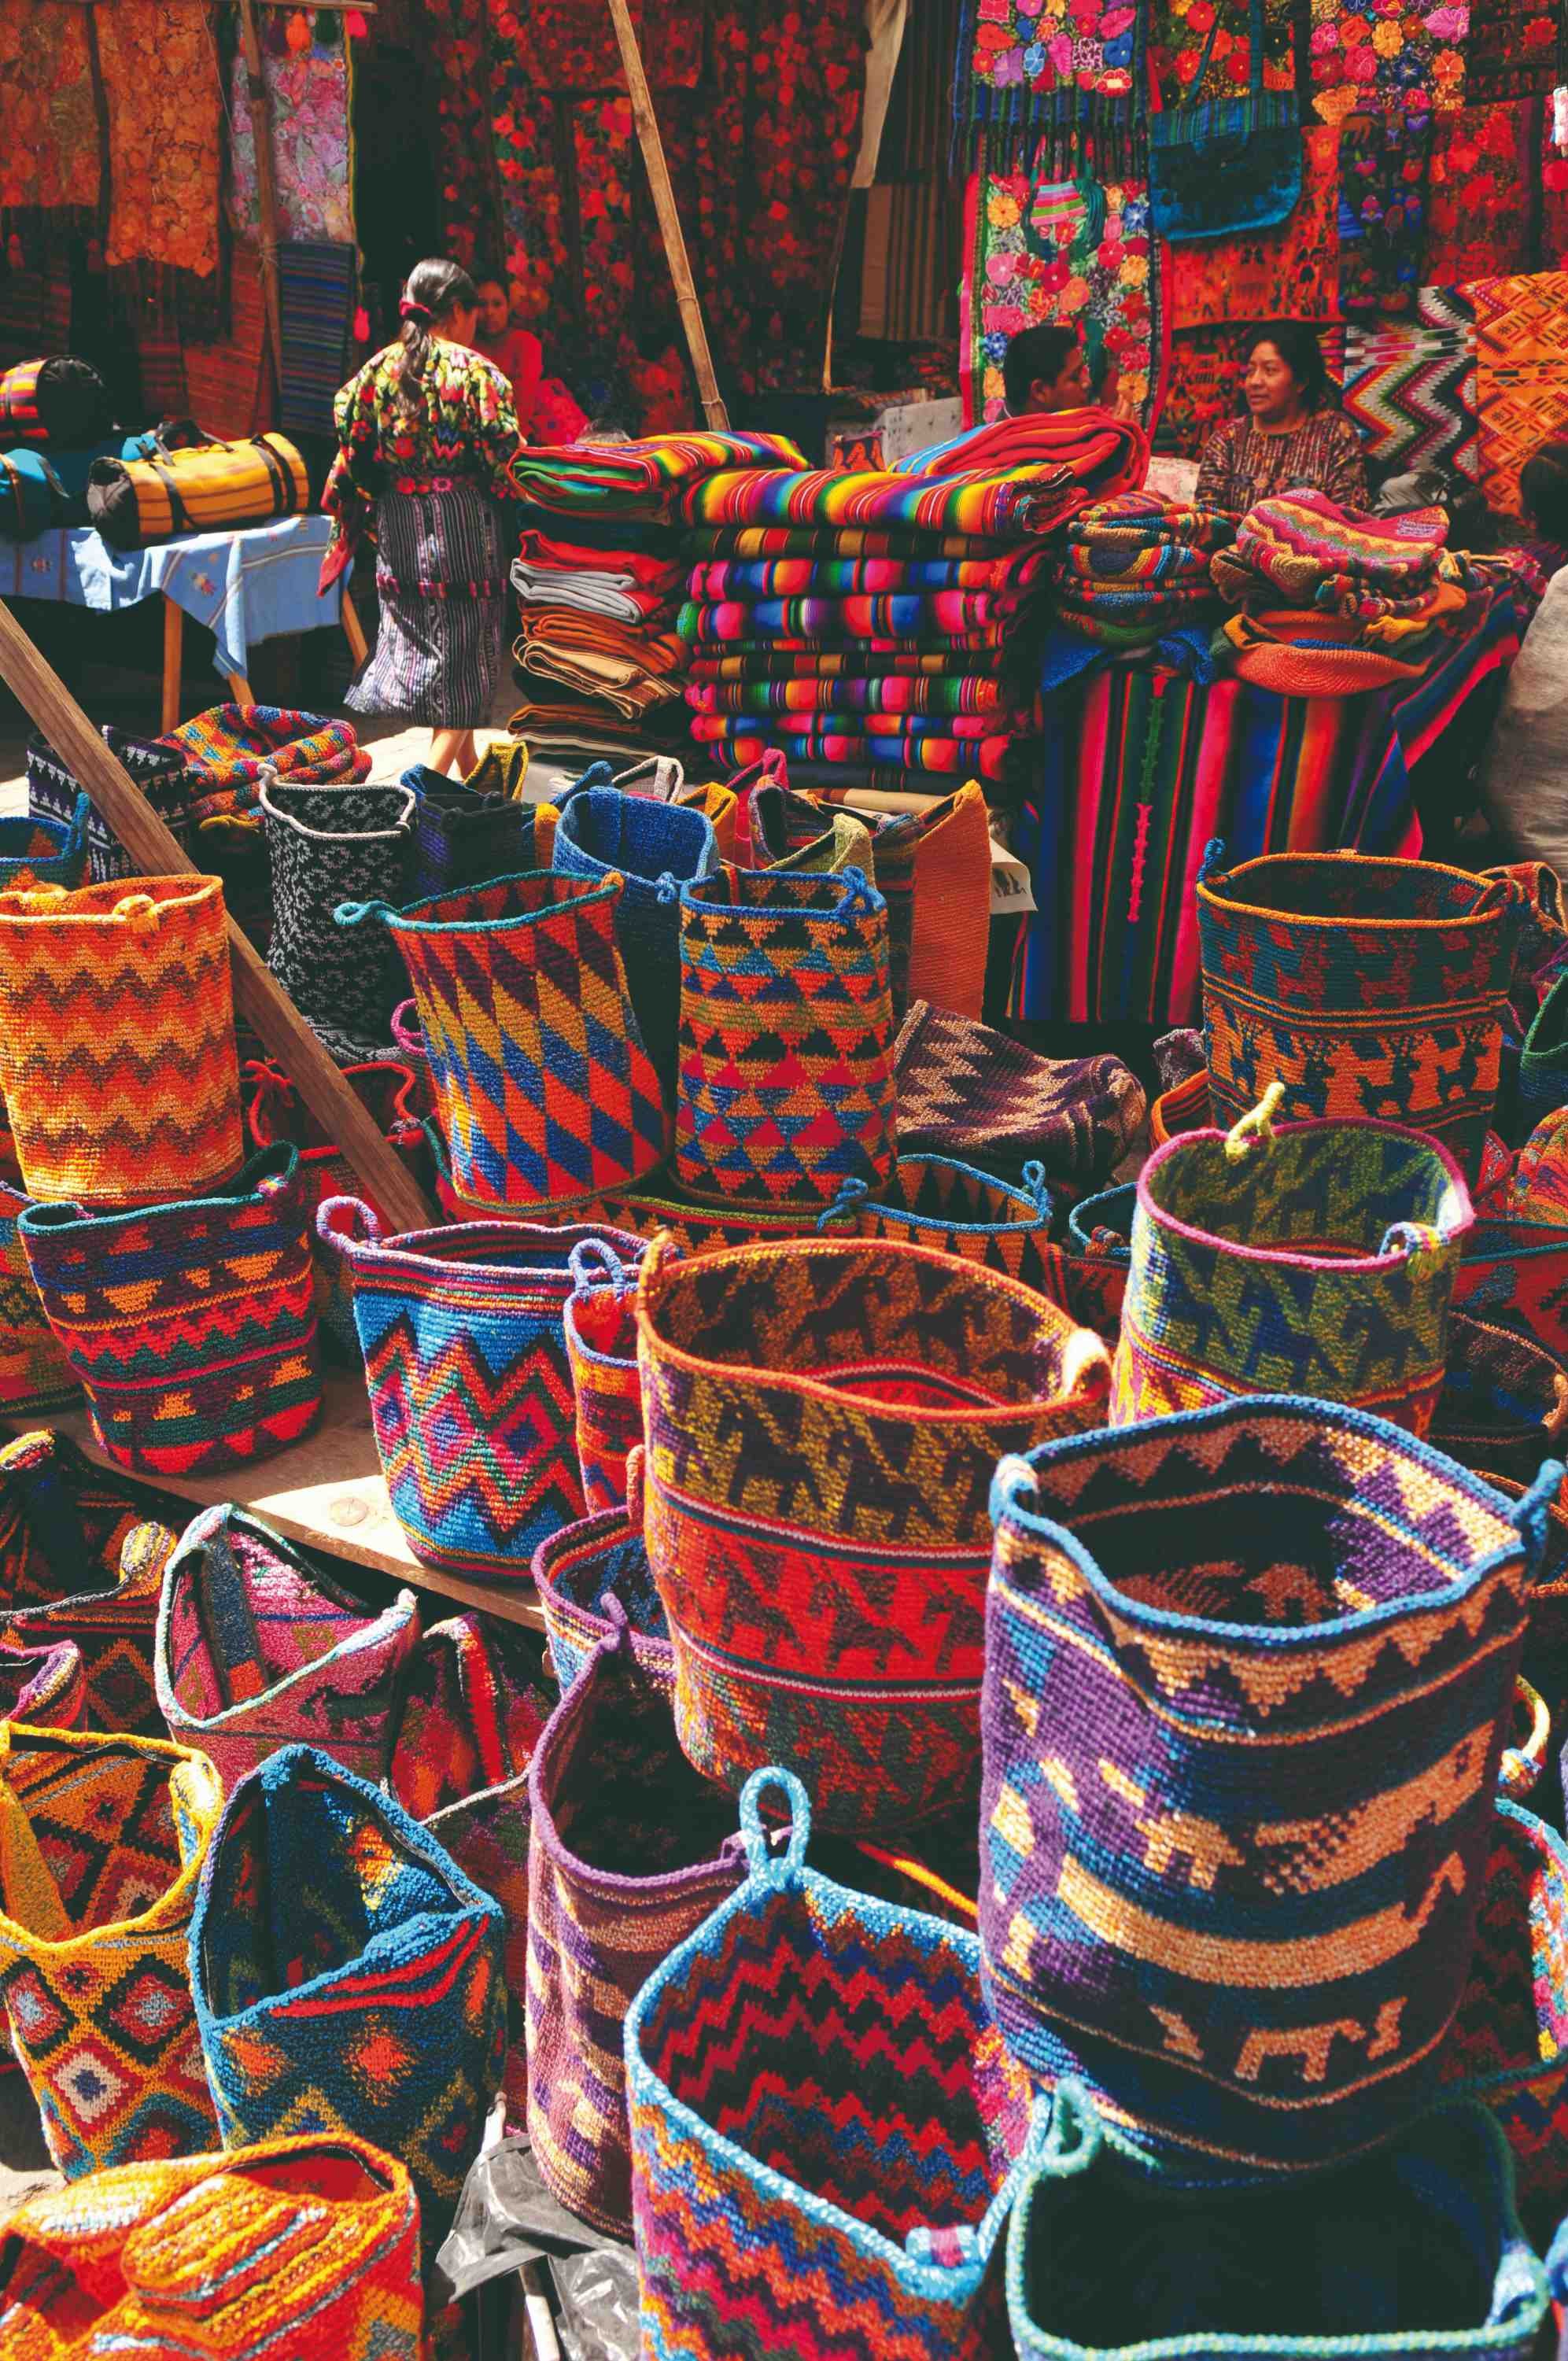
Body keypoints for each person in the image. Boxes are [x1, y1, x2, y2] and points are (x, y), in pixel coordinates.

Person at [323, 257, 524, 779]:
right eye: (472, 312)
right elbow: (503, 461)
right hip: (462, 533)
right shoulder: (476, 374)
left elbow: (354, 447)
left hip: (398, 534)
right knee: (466, 660)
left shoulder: (374, 374)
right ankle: (427, 788)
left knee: (438, 660)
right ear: (456, 312)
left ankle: (476, 781)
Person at [1195, 321, 1368, 514]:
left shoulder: (1334, 434)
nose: (1254, 382)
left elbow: (1349, 517)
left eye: (1270, 370)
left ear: (1301, 381)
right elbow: (1207, 521)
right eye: (1251, 371)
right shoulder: (1227, 441)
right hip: (1235, 544)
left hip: (1313, 543)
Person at [1002, 323, 1138, 425]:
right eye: (1075, 377)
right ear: (1040, 391)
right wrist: (1118, 447)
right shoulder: (1003, 455)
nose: (1087, 383)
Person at [474, 274, 544, 436]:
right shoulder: (468, 346)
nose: (489, 312)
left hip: (518, 436)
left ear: (509, 307)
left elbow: (524, 408)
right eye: (482, 305)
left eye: (497, 304)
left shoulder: (526, 344)